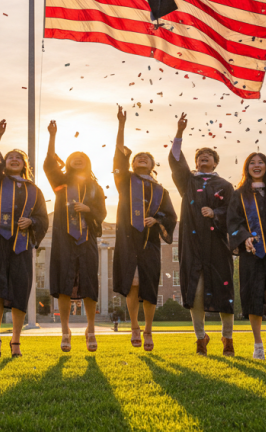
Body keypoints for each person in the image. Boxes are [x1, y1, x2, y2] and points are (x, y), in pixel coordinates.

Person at [0, 119, 49, 358]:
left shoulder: (34, 190)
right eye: (9, 157)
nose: (14, 159)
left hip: (21, 246)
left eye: (18, 158)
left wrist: (32, 222)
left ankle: (16, 340)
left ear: (25, 165)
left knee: (20, 291)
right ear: (4, 162)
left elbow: (43, 219)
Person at [168, 114, 236, 356]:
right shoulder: (187, 182)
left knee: (224, 291)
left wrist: (215, 213)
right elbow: (176, 161)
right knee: (195, 293)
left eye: (208, 156)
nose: (203, 158)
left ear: (215, 163)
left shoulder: (226, 186)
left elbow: (233, 214)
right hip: (193, 245)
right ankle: (200, 338)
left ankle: (227, 338)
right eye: (199, 156)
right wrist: (179, 133)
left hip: (218, 246)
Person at [112, 106, 178, 352]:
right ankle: (135, 327)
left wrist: (157, 220)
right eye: (138, 157)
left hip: (150, 241)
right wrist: (121, 126)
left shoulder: (162, 190)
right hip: (128, 239)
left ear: (152, 164)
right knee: (133, 283)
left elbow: (171, 216)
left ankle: (149, 329)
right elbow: (119, 157)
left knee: (148, 285)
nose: (141, 159)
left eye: (146, 157)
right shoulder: (125, 181)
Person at [44, 120, 108, 353]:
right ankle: (65, 330)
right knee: (63, 285)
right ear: (68, 162)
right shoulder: (60, 183)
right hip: (63, 240)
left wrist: (88, 209)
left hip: (87, 240)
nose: (77, 158)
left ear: (88, 163)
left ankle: (90, 329)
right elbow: (50, 165)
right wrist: (52, 137)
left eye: (82, 156)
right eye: (73, 156)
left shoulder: (94, 188)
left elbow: (102, 212)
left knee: (89, 284)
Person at [227, 153, 266, 360]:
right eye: (252, 163)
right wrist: (244, 237)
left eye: (260, 162)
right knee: (253, 297)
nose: (256, 165)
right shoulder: (239, 195)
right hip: (252, 254)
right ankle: (257, 345)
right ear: (246, 168)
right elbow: (233, 222)